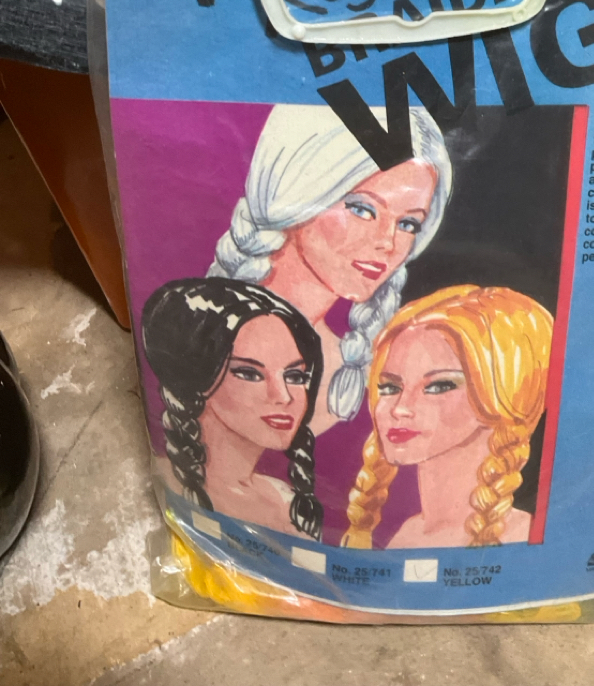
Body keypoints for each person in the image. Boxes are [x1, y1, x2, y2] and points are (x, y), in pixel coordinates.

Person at [208, 104, 452, 431]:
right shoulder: (202, 337)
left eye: (408, 223)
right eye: (363, 209)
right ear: (295, 191)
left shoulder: (356, 370)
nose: (388, 242)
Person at [342, 285, 553, 550]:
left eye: (438, 386)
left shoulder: (524, 536)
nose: (400, 408)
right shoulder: (406, 534)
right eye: (390, 387)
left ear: (505, 394)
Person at [141, 277, 324, 540]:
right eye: (249, 373)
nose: (283, 396)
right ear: (197, 377)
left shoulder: (286, 502)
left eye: (295, 376)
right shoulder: (167, 481)